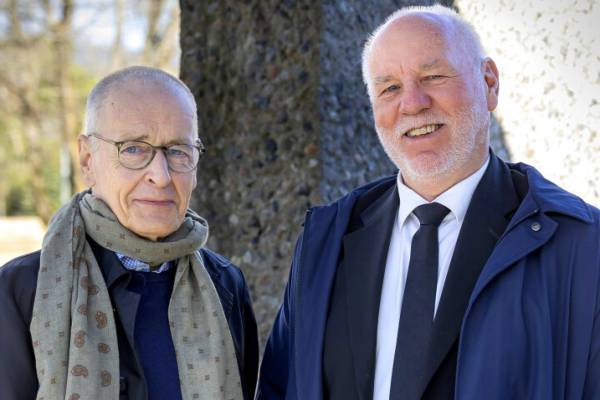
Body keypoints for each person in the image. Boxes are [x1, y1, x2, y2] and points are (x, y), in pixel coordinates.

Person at [256, 5, 600, 400]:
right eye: (389, 88)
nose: (412, 103)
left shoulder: (581, 245)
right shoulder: (324, 242)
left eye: (433, 77)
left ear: (489, 83)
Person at [0, 66, 259, 400]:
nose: (161, 176)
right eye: (134, 149)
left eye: (178, 151)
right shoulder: (21, 291)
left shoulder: (225, 285)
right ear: (87, 159)